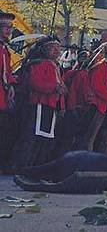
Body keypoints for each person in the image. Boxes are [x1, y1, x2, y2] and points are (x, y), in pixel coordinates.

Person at [13, 36, 67, 169]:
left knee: (44, 139)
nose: (56, 51)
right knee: (32, 137)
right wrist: (54, 87)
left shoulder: (56, 66)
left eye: (58, 48)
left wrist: (62, 105)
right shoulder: (40, 64)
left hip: (50, 106)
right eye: (52, 47)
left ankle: (36, 166)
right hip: (39, 104)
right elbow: (35, 83)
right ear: (44, 49)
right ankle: (23, 166)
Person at [0, 12, 17, 169]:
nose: (9, 31)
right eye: (6, 27)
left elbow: (8, 71)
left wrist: (10, 84)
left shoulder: (5, 49)